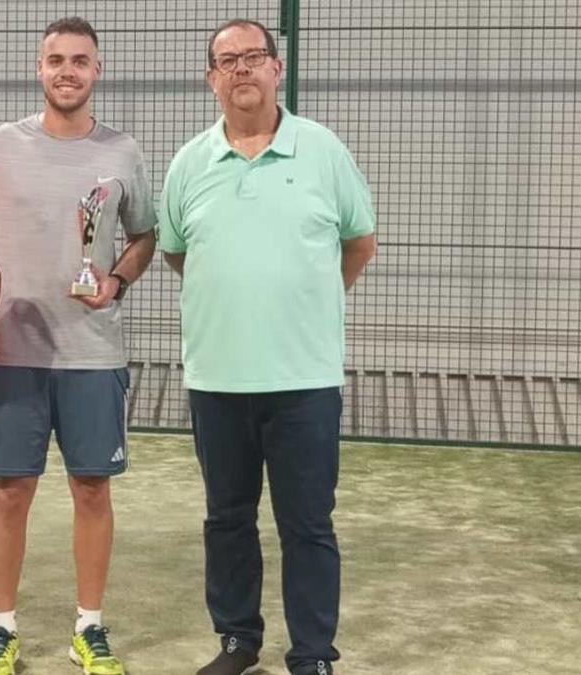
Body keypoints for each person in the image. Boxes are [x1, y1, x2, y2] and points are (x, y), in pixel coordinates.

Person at [156, 19, 377, 675]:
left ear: (277, 69)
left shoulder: (323, 150)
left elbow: (358, 242)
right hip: (217, 377)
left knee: (308, 523)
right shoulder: (190, 162)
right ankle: (237, 640)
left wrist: (307, 299)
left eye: (255, 57)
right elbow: (176, 251)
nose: (243, 69)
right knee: (227, 519)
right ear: (211, 78)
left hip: (303, 378)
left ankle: (311, 652)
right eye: (229, 61)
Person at [0, 17, 157, 675]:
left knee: (92, 490)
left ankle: (90, 627)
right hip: (14, 350)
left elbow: (144, 236)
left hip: (93, 352)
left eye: (80, 60)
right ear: (39, 67)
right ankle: (1, 629)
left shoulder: (123, 152)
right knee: (11, 490)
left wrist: (116, 278)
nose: (67, 70)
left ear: (97, 70)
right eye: (56, 59)